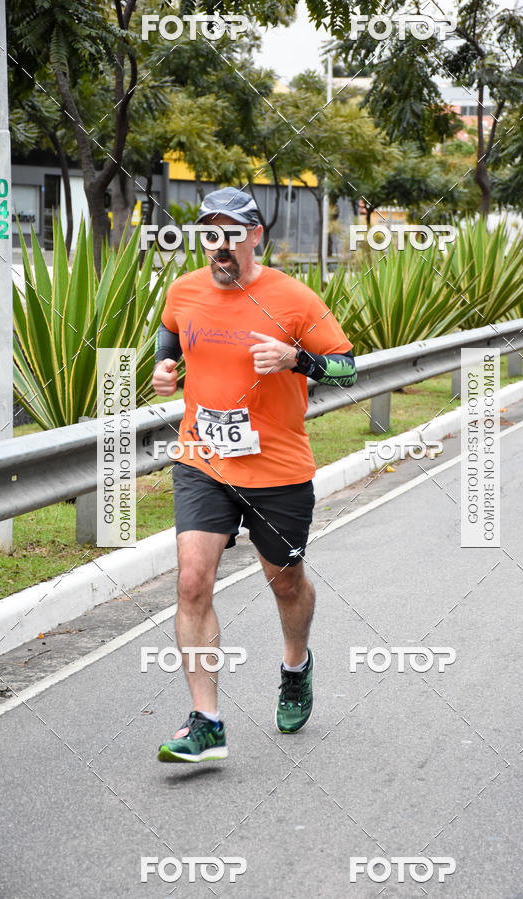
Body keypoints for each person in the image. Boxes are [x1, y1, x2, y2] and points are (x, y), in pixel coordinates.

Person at [152, 186, 356, 763]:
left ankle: (296, 665)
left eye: (232, 233)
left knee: (284, 582)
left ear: (255, 236)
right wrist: (165, 371)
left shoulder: (293, 299)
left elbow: (347, 368)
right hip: (202, 461)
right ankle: (206, 722)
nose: (221, 246)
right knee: (192, 581)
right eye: (210, 233)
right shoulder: (184, 290)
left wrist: (298, 360)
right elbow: (171, 336)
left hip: (277, 469)